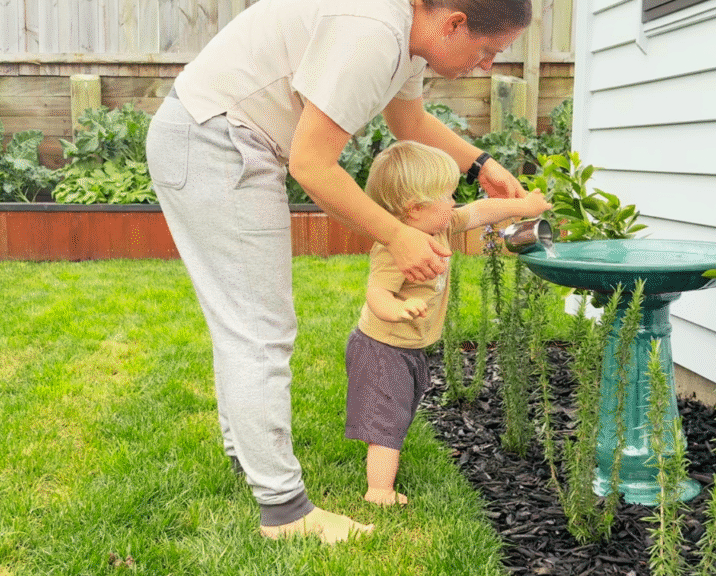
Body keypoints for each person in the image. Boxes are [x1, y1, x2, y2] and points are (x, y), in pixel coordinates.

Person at [145, 0, 535, 544]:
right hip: (215, 139)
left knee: (243, 323)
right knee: (257, 329)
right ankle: (285, 514)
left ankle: (249, 459)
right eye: (489, 50)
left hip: (218, 135)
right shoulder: (373, 31)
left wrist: (481, 165)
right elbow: (313, 165)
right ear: (454, 23)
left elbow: (410, 122)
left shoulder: (406, 38)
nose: (488, 65)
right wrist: (399, 235)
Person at [345, 140, 551, 506]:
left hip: (407, 348)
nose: (455, 202)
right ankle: (379, 492)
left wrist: (525, 206)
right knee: (387, 426)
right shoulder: (393, 249)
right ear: (416, 208)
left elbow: (481, 210)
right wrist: (399, 309)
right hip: (382, 348)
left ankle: (383, 464)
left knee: (398, 414)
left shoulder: (439, 224)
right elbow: (376, 295)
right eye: (448, 195)